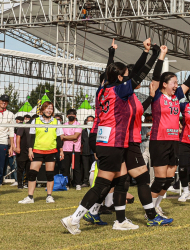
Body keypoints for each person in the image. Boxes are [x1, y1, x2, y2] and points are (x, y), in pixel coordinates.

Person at [61, 38, 163, 235]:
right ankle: (74, 219)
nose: (128, 78)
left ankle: (120, 220)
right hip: (113, 143)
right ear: (119, 78)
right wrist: (150, 54)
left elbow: (115, 71)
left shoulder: (102, 90)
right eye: (124, 75)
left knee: (121, 180)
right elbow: (139, 75)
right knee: (102, 185)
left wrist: (138, 53)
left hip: (105, 142)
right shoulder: (119, 90)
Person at [149, 48, 190, 217]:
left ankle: (156, 206)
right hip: (159, 141)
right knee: (159, 179)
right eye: (174, 82)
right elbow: (156, 76)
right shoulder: (157, 95)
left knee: (170, 178)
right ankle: (149, 210)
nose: (177, 85)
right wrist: (162, 55)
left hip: (174, 141)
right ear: (165, 84)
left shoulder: (176, 96)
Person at [18, 101, 64, 204]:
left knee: (50, 174)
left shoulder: (56, 122)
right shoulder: (36, 121)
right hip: (38, 150)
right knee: (32, 173)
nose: (49, 110)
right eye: (47, 108)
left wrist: (61, 150)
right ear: (42, 110)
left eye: (51, 108)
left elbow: (59, 138)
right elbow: (32, 137)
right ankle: (30, 197)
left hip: (51, 150)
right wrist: (30, 150)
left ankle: (49, 196)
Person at [0, 94, 15, 196]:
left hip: (2, 143)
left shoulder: (10, 114)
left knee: (0, 167)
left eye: (6, 101)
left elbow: (11, 132)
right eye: (3, 101)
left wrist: (12, 146)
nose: (4, 102)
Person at [61, 109, 83, 190]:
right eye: (69, 114)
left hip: (75, 149)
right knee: (65, 167)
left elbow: (75, 136)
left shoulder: (78, 125)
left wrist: (65, 137)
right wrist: (71, 137)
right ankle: (66, 184)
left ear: (75, 116)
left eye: (73, 114)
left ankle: (78, 183)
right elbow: (61, 137)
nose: (71, 116)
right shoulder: (64, 125)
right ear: (67, 116)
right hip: (66, 149)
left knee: (76, 167)